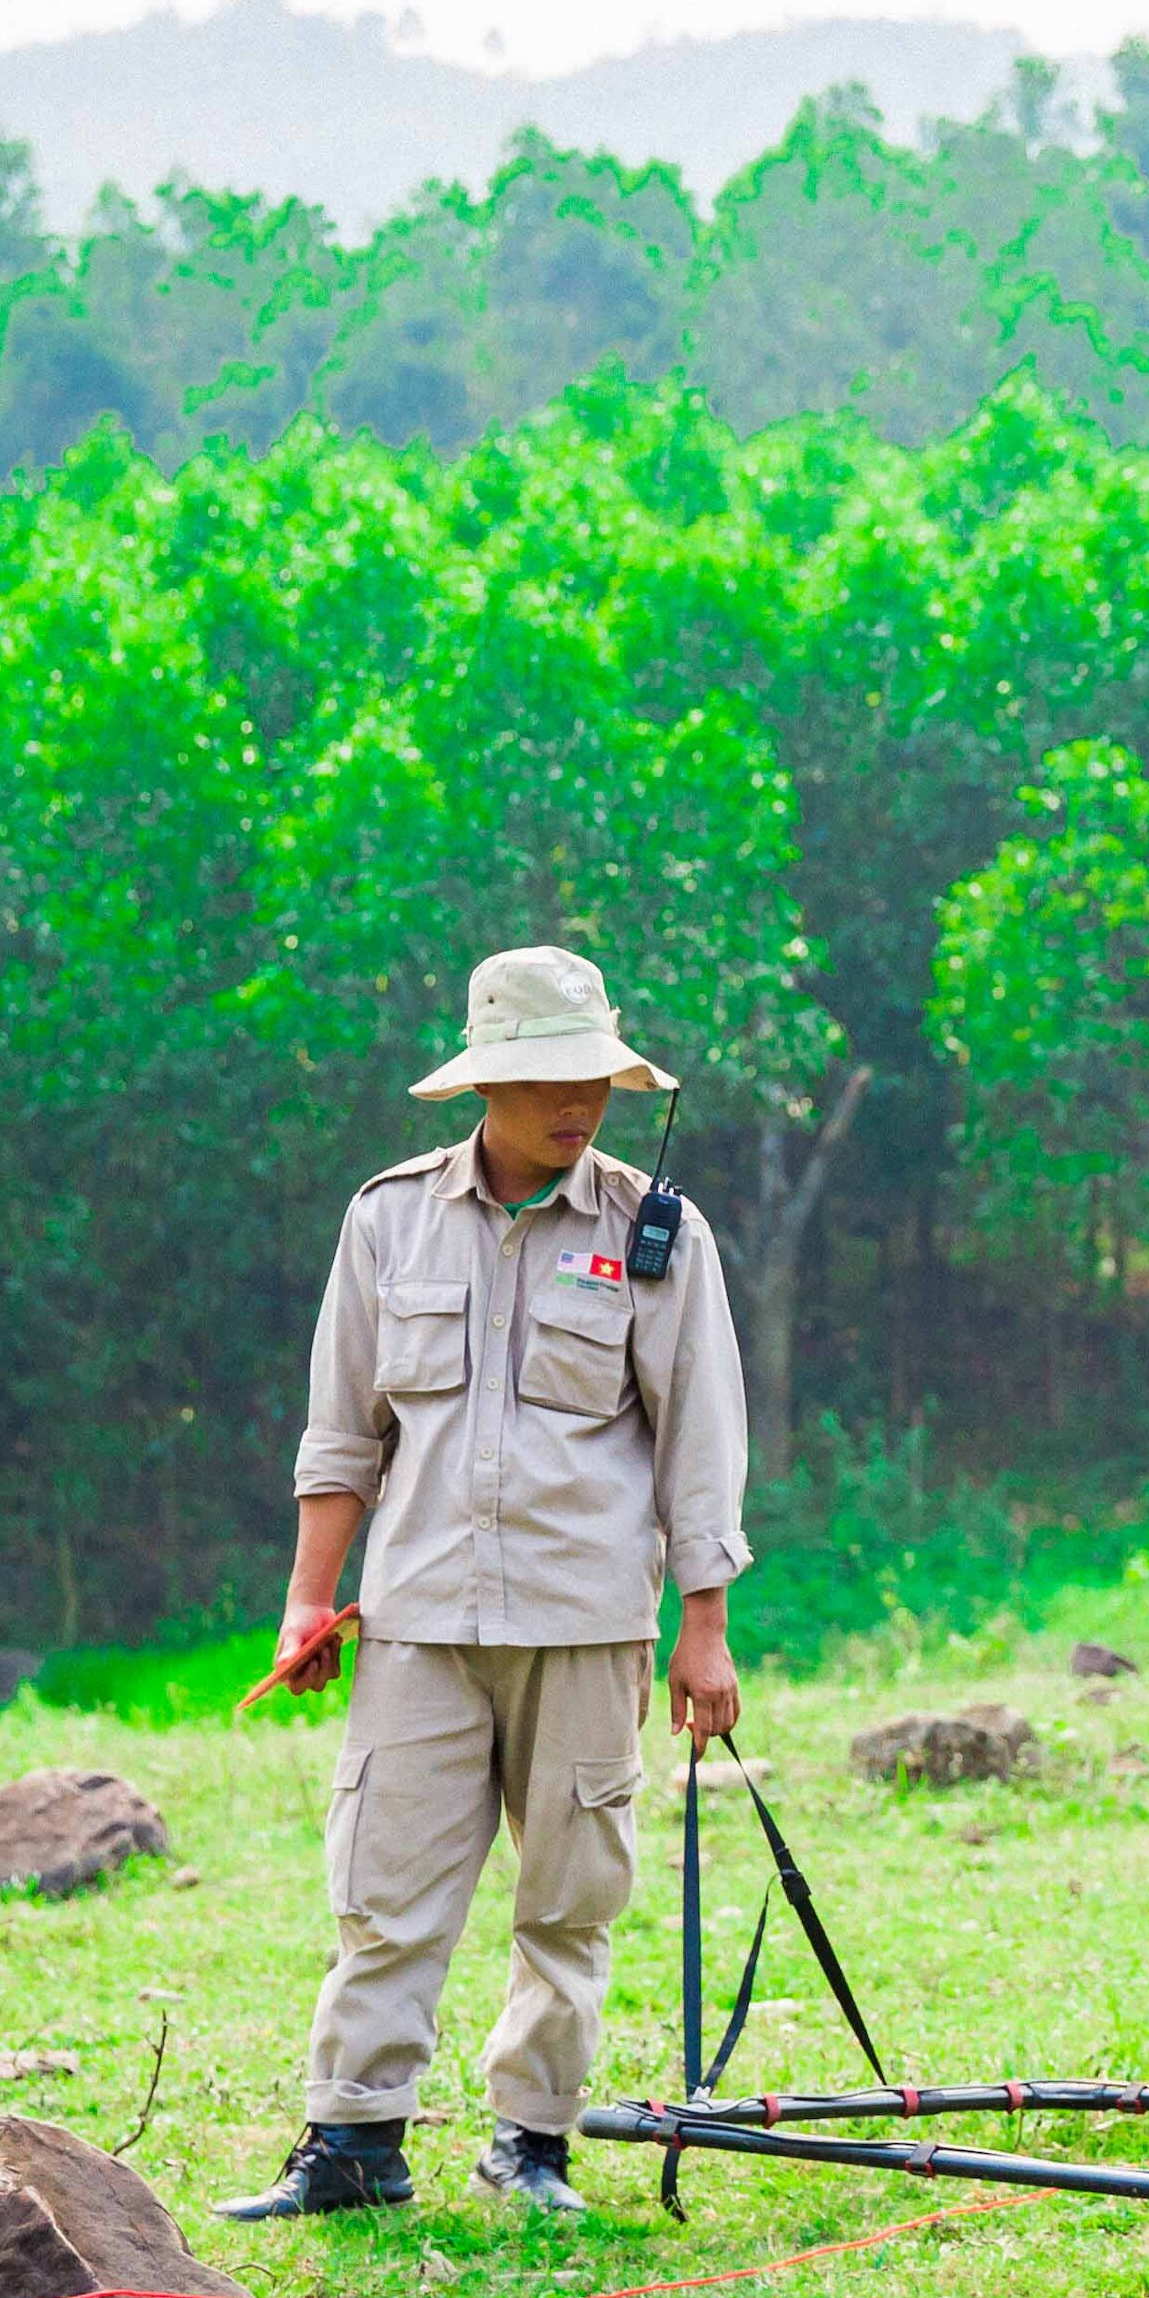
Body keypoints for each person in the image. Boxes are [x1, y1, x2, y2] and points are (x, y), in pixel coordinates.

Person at [220, 944, 752, 2225]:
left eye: (598, 1082)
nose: (579, 1106)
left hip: (585, 1623)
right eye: (550, 1082)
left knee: (568, 1902)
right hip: (417, 1618)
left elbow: (701, 1440)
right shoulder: (388, 1217)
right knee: (385, 1891)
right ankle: (352, 2143)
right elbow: (342, 1431)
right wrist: (309, 1599)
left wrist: (706, 1631)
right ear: (484, 1087)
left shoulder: (654, 1233)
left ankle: (532, 2144)